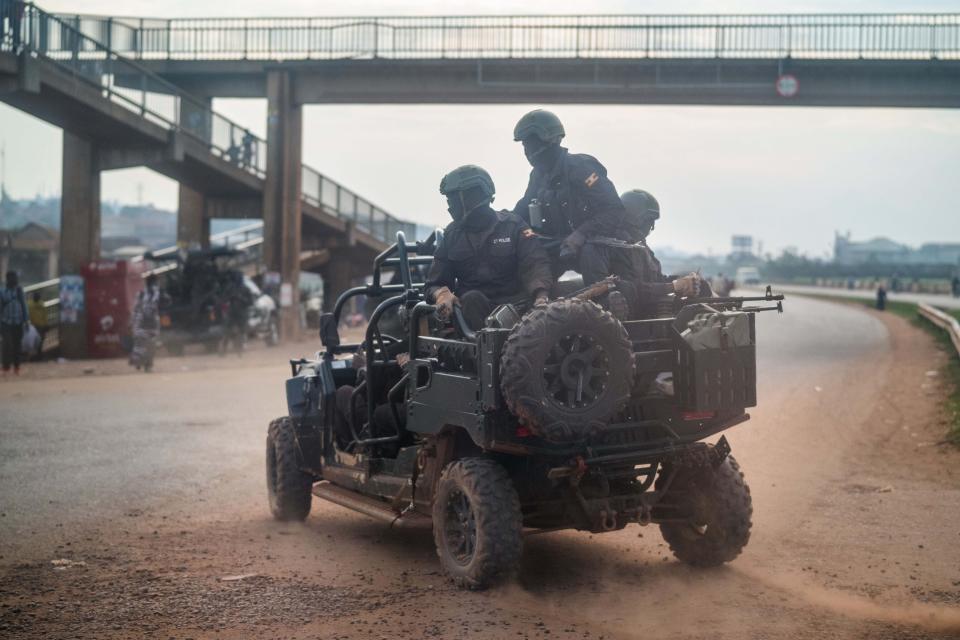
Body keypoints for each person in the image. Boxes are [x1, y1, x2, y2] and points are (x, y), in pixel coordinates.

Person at [511, 109, 639, 285]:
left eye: (530, 144)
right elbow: (523, 210)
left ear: (548, 140)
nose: (527, 152)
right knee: (531, 258)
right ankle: (537, 306)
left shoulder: (581, 168)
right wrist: (502, 223)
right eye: (524, 146)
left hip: (600, 245)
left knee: (590, 252)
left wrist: (581, 233)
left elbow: (614, 210)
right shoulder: (538, 176)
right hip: (562, 245)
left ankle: (602, 305)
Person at [425, 165, 552, 331]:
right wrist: (442, 295)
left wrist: (541, 296)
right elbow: (433, 284)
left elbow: (535, 262)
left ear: (470, 196)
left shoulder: (513, 225)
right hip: (474, 314)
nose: (450, 206)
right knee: (471, 299)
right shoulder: (452, 234)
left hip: (517, 309)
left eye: (453, 199)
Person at [618, 189, 703, 317]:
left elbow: (658, 280)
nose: (652, 227)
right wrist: (674, 286)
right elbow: (633, 291)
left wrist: (686, 281)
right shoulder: (617, 248)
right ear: (635, 218)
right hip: (635, 318)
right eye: (649, 220)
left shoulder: (641, 248)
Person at [129, 274, 162, 372]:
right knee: (150, 344)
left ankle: (141, 362)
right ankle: (147, 365)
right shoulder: (156, 292)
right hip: (151, 321)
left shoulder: (141, 293)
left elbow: (135, 308)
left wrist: (132, 321)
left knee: (141, 343)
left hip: (141, 321)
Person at [0, 270, 28, 376]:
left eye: (16, 278)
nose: (15, 280)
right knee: (7, 344)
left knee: (17, 345)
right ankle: (6, 367)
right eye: (13, 278)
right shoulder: (2, 291)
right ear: (8, 279)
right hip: (5, 322)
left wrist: (26, 320)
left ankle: (16, 367)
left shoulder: (19, 290)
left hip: (18, 322)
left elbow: (24, 305)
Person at [27, 291, 48, 358]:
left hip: (35, 325)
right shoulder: (41, 304)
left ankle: (37, 353)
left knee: (36, 340)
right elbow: (45, 315)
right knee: (39, 340)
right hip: (38, 325)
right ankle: (38, 353)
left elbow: (44, 315)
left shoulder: (29, 304)